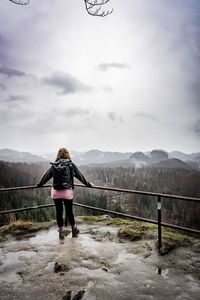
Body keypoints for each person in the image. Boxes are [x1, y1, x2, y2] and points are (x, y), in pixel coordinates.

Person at [37, 148, 93, 239]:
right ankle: (74, 230)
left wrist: (40, 184)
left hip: (56, 192)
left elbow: (46, 176)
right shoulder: (71, 165)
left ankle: (61, 233)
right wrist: (88, 184)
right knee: (69, 211)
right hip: (67, 192)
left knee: (59, 212)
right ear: (68, 155)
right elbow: (80, 176)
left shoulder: (54, 165)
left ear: (58, 155)